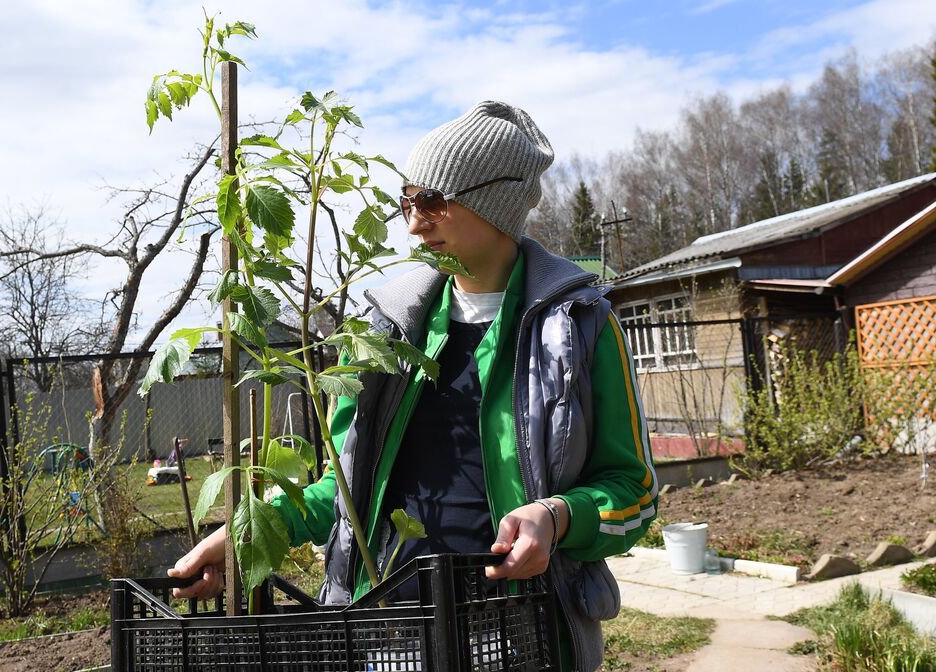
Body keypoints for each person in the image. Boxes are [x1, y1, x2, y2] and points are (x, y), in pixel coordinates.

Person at [169, 101, 657, 671]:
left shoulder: (578, 329)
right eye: (407, 200)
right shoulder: (385, 331)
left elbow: (635, 493)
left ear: (493, 203)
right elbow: (342, 490)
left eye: (433, 201)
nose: (413, 222)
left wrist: (556, 516)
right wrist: (243, 536)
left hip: (522, 638)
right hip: (386, 631)